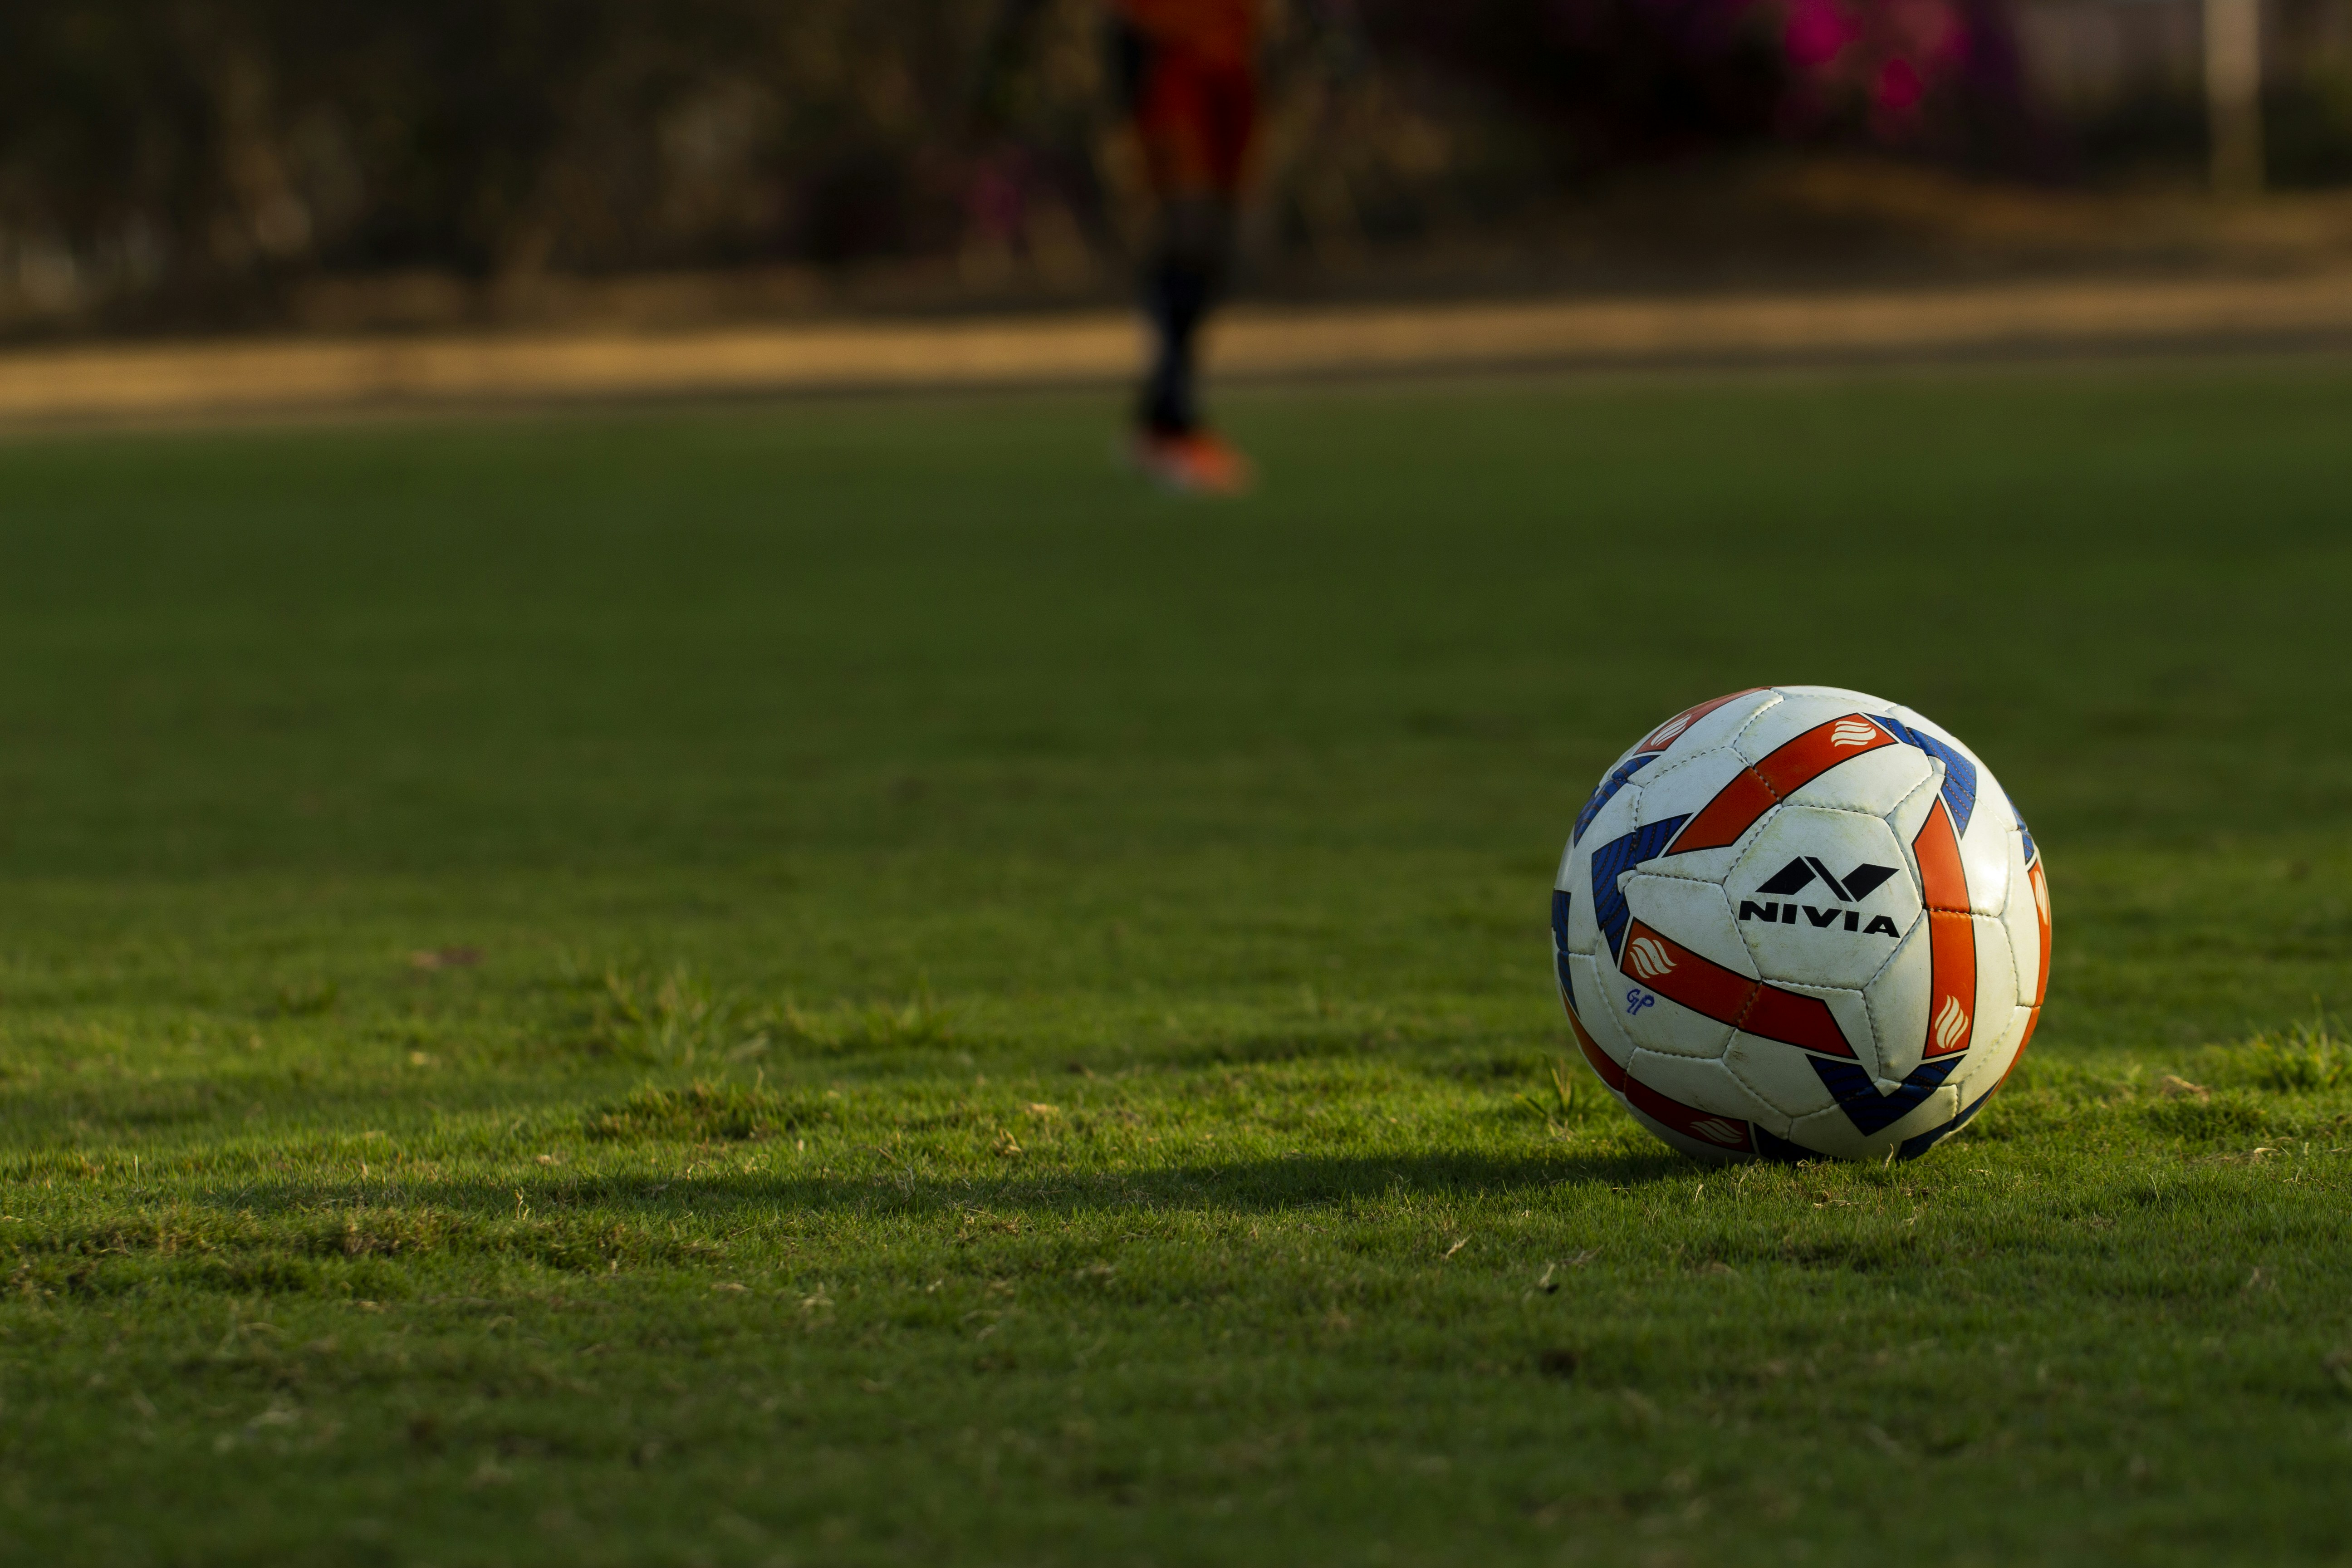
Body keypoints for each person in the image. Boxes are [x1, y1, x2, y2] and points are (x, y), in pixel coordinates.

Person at [980, 0, 1343, 495]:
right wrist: (1006, 60)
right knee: (1187, 227)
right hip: (1165, 54)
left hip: (1236, 56)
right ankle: (1169, 421)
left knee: (1218, 238)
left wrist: (1329, 29)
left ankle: (1168, 417)